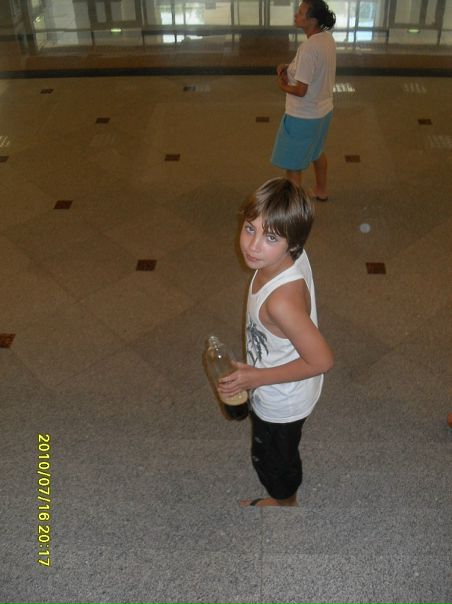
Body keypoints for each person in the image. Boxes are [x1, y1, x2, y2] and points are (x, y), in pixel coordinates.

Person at [218, 178, 333, 507]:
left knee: (273, 457)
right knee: (280, 448)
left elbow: (322, 360)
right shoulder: (290, 257)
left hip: (281, 402)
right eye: (249, 228)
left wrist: (256, 377)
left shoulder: (280, 302)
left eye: (270, 237)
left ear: (292, 242)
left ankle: (284, 501)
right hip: (286, 383)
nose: (253, 246)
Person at [271, 0, 336, 200]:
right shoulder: (327, 39)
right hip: (323, 111)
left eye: (300, 12)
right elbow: (313, 70)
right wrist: (288, 68)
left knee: (293, 165)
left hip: (303, 116)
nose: (295, 15)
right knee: (317, 152)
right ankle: (321, 190)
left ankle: (295, 209)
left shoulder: (308, 48)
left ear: (312, 20)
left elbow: (301, 90)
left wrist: (282, 86)